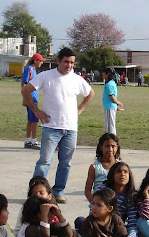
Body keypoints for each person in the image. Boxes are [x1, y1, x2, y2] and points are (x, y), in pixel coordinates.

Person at [21, 47, 94, 204]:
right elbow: (26, 90)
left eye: (72, 63)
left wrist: (80, 109)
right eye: (66, 62)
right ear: (58, 61)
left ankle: (58, 191)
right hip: (51, 127)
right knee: (44, 161)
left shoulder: (76, 79)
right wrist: (36, 111)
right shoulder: (46, 76)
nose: (69, 65)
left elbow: (90, 93)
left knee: (65, 162)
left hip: (70, 128)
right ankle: (36, 193)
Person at [84, 133, 120, 204]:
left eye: (113, 146)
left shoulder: (120, 166)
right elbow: (87, 191)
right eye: (107, 146)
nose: (110, 149)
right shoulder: (94, 167)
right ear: (101, 147)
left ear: (117, 147)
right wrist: (95, 204)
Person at [20, 54, 45, 149]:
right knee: (34, 120)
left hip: (33, 97)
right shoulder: (29, 69)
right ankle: (34, 140)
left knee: (31, 120)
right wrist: (25, 98)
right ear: (35, 61)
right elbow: (24, 83)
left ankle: (28, 140)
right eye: (40, 61)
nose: (41, 63)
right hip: (31, 98)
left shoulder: (33, 70)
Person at [101, 68, 123, 134]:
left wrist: (119, 103)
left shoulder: (109, 84)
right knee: (109, 125)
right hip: (108, 106)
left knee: (110, 127)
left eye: (104, 73)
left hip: (109, 107)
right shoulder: (109, 83)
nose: (102, 74)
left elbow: (112, 97)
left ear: (107, 74)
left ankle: (112, 141)